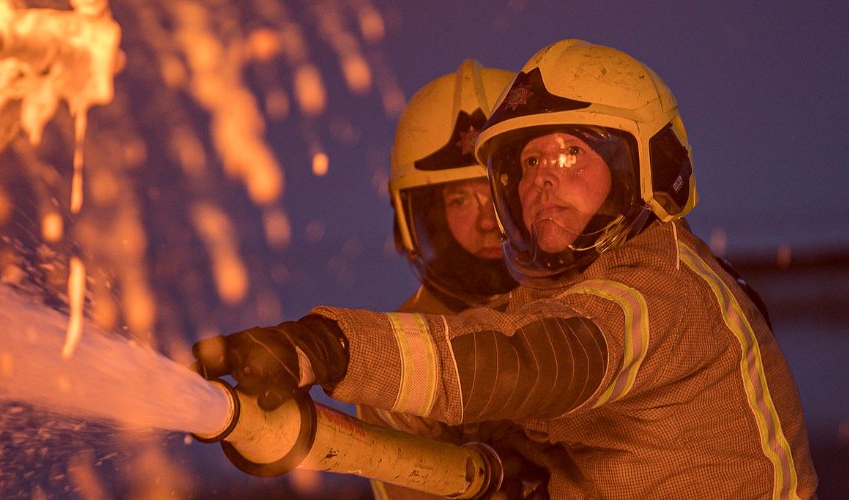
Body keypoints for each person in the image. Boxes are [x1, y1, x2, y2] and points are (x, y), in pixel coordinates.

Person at [194, 39, 817, 498]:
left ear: (645, 167)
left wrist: (326, 347)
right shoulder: (562, 298)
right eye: (527, 165)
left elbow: (528, 360)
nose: (541, 181)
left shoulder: (655, 293)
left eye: (572, 153)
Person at [366, 58, 550, 500]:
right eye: (461, 200)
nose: (489, 222)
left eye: (499, 193)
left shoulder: (591, 302)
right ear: (423, 217)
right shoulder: (400, 351)